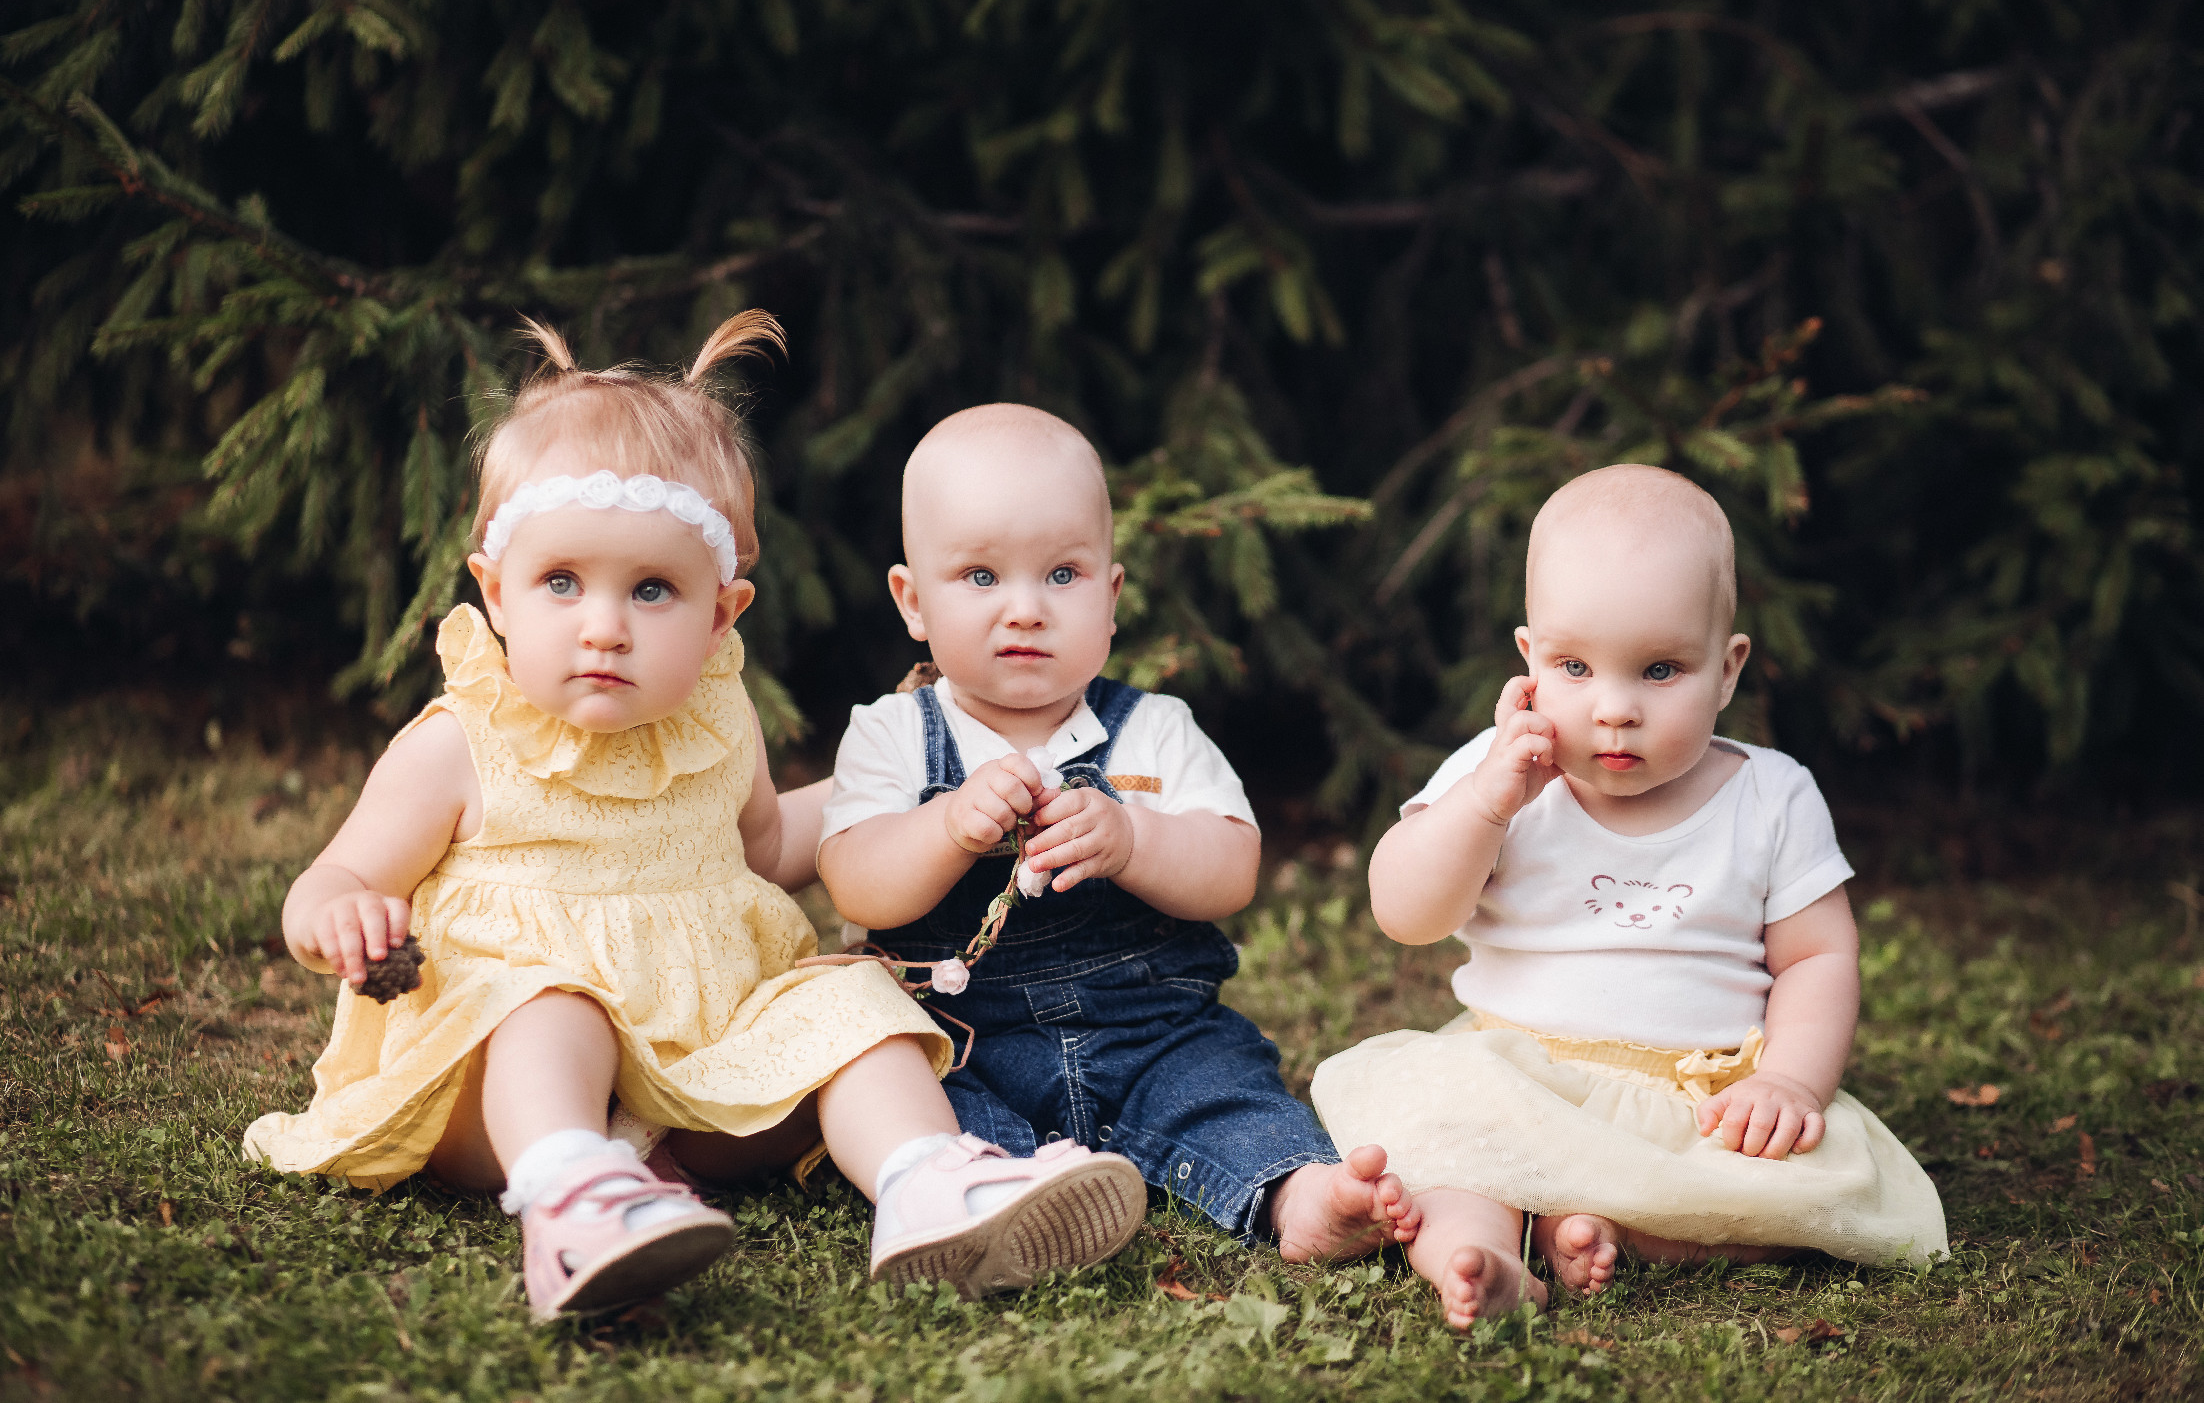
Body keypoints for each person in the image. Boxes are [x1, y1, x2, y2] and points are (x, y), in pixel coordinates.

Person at [245, 319, 1144, 1321]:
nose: (604, 624)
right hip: (490, 1094)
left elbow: (764, 849)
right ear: (495, 593)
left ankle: (925, 1179)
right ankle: (575, 1196)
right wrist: (339, 916)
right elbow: (328, 882)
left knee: (848, 1003)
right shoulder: (462, 742)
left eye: (652, 589)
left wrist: (910, 802)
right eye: (560, 581)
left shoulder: (717, 718)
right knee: (554, 1007)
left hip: (699, 1060)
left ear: (721, 614)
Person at [1313, 464, 1946, 1328]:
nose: (1614, 709)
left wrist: (1792, 1080)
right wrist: (1487, 804)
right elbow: (1406, 911)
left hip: (1697, 1101)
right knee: (1452, 1163)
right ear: (1530, 660)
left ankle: (1594, 1223)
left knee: (1796, 1191)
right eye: (1576, 666)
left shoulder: (1771, 795)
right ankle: (1490, 1257)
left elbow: (1818, 955)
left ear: (1726, 670)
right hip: (1518, 1076)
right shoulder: (1494, 775)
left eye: (1658, 669)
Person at [816, 403, 1416, 1260]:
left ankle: (1299, 1193)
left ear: (1112, 594)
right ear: (913, 602)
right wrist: (946, 826)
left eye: (1062, 575)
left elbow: (1232, 867)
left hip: (1149, 1029)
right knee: (912, 1090)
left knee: (1218, 1089)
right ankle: (985, 1188)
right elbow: (854, 880)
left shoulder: (1154, 730)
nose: (1024, 610)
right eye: (981, 577)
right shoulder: (894, 734)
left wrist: (1135, 842)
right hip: (966, 1037)